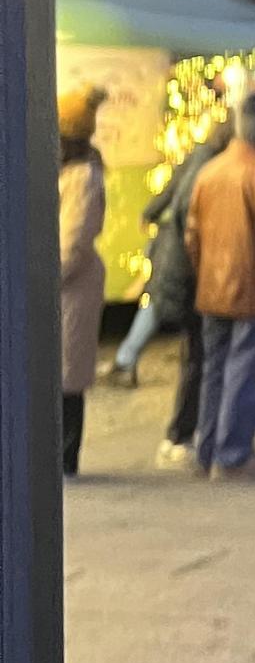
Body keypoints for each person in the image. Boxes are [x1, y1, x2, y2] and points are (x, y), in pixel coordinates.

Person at [181, 93, 255, 477]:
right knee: (244, 373)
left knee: (214, 370)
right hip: (254, 291)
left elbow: (192, 236)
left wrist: (204, 272)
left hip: (211, 289)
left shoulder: (210, 171)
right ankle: (232, 455)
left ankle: (207, 447)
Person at [109, 115, 231, 390]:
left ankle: (126, 359)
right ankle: (127, 360)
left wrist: (150, 213)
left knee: (158, 300)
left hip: (171, 245)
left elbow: (171, 189)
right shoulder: (209, 164)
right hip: (181, 249)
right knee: (168, 304)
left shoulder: (199, 154)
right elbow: (186, 206)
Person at [58, 85, 109, 478]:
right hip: (64, 288)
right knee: (59, 374)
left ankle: (65, 458)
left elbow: (73, 241)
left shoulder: (83, 178)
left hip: (70, 289)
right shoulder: (72, 172)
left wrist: (46, 277)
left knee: (68, 378)